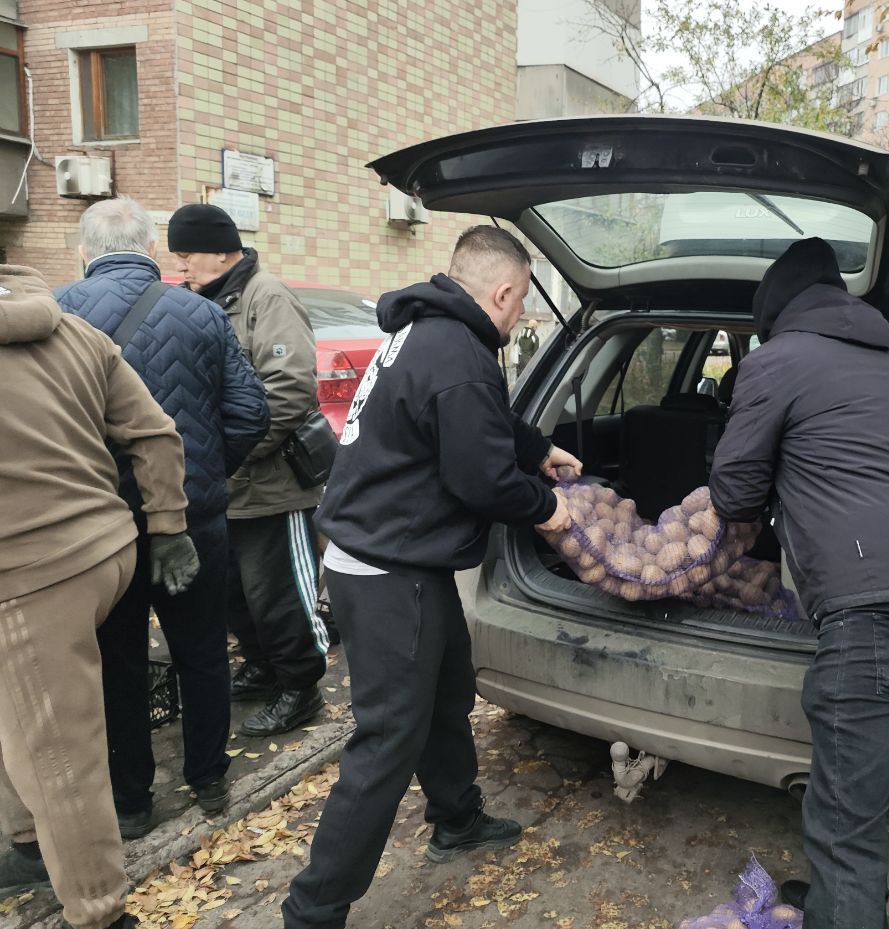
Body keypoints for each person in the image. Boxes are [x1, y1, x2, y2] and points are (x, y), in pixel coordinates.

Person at [281, 226, 577, 929]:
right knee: (387, 738)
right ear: (503, 292)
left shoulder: (433, 331)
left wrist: (537, 450)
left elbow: (482, 421)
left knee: (449, 687)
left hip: (399, 554)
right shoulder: (456, 351)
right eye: (520, 305)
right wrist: (548, 508)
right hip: (386, 569)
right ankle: (313, 908)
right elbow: (480, 477)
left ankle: (455, 817)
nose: (518, 319)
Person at [708, 238, 889, 929]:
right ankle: (834, 902)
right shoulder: (884, 365)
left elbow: (736, 489)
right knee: (852, 798)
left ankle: (845, 908)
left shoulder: (776, 361)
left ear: (774, 315)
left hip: (875, 615)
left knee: (841, 824)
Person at [57, 197, 270, 838]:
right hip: (193, 520)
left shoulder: (59, 313)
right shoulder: (202, 312)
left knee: (116, 660)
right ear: (152, 251)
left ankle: (131, 802)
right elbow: (251, 413)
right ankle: (208, 778)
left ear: (84, 255)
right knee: (202, 651)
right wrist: (201, 477)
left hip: (98, 527)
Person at [0, 264, 199, 929]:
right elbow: (156, 431)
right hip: (110, 547)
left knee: (60, 758)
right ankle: (29, 843)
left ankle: (100, 911)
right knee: (24, 718)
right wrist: (168, 525)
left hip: (32, 573)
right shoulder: (77, 331)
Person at [168, 203, 329, 737]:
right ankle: (262, 668)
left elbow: (288, 391)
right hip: (225, 487)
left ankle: (301, 688)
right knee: (237, 595)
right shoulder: (205, 301)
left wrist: (231, 452)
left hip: (269, 484)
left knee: (280, 596)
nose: (182, 267)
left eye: (186, 255)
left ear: (218, 250)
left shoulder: (267, 296)